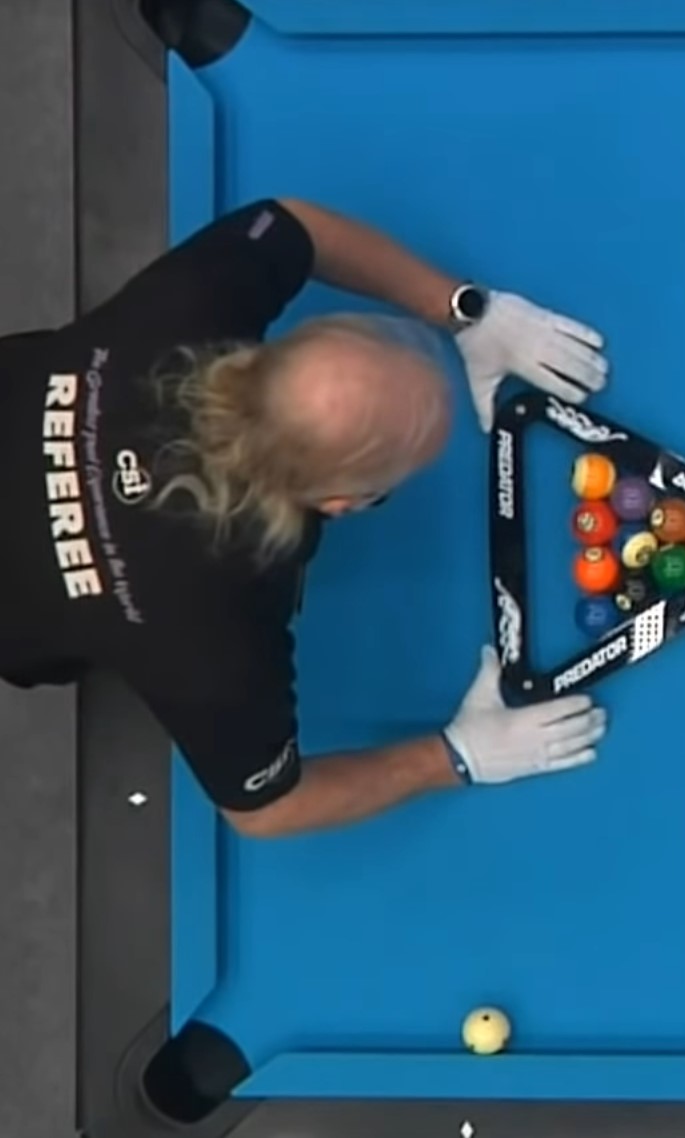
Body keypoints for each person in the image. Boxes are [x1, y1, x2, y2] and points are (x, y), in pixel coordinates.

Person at [0, 197, 611, 838]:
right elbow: (266, 809)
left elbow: (298, 227)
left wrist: (465, 311)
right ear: (343, 502)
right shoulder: (209, 634)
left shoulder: (189, 308)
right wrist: (454, 758)